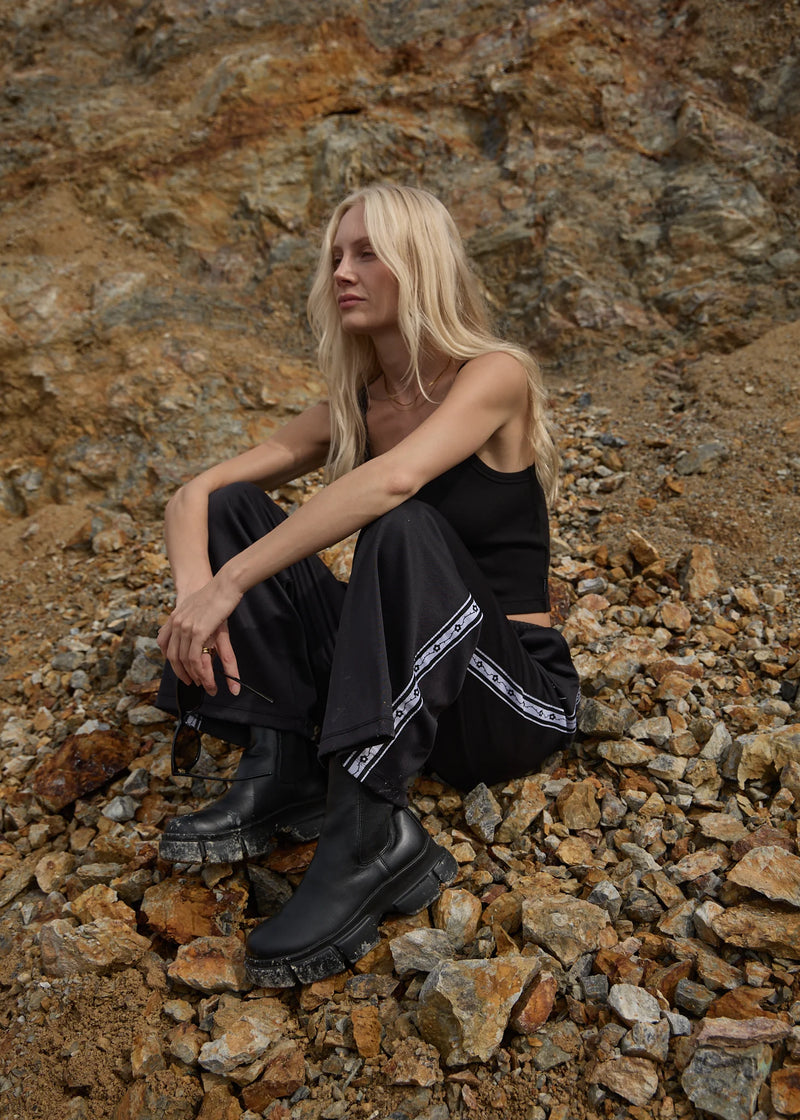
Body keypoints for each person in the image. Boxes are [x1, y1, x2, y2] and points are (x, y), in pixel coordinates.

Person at [156, 183, 580, 987]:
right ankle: (281, 761)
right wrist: (194, 596)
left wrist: (233, 584)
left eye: (367, 252)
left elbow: (396, 484)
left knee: (403, 526)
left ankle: (368, 830)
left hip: (510, 697)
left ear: (418, 262)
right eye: (336, 255)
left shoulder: (493, 376)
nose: (343, 271)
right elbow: (194, 497)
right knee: (239, 506)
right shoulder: (357, 405)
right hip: (412, 687)